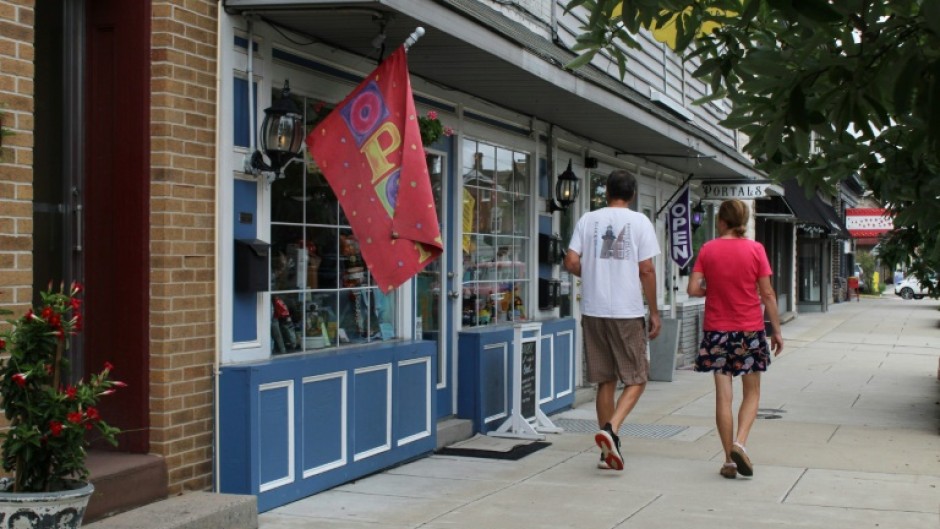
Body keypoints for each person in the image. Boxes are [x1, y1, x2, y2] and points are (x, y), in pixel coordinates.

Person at [564, 169, 661, 472]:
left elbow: (571, 260)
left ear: (606, 192)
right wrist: (654, 311)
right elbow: (646, 269)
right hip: (626, 311)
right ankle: (612, 429)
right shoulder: (640, 222)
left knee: (605, 380)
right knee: (638, 377)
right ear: (633, 195)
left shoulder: (587, 219)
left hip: (593, 310)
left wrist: (591, 274)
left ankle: (607, 454)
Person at [687, 199, 784, 479]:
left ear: (722, 221)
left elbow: (692, 288)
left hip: (716, 331)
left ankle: (729, 461)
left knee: (723, 396)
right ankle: (740, 443)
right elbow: (767, 294)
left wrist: (712, 290)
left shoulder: (708, 249)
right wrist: (776, 331)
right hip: (749, 331)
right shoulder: (756, 250)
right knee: (752, 392)